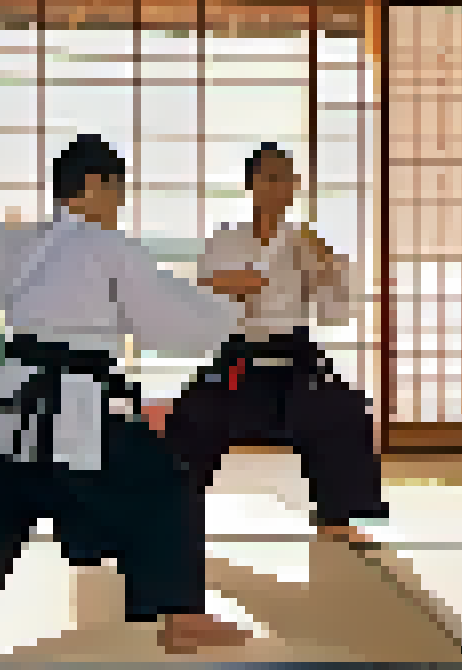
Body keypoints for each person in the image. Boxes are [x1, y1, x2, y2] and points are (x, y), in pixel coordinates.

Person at [0, 135, 267, 652]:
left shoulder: (25, 245)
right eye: (116, 190)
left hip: (17, 400)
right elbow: (164, 318)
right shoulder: (106, 246)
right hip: (79, 401)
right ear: (91, 186)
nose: (120, 203)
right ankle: (182, 616)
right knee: (162, 485)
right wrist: (227, 304)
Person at [164, 143, 386, 542]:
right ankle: (170, 513)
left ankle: (339, 514)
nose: (279, 187)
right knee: (192, 416)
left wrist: (328, 267)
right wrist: (226, 286)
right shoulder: (226, 240)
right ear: (251, 184)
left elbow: (334, 312)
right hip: (238, 353)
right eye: (269, 178)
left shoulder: (305, 242)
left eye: (286, 179)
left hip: (295, 353)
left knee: (346, 411)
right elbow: (200, 294)